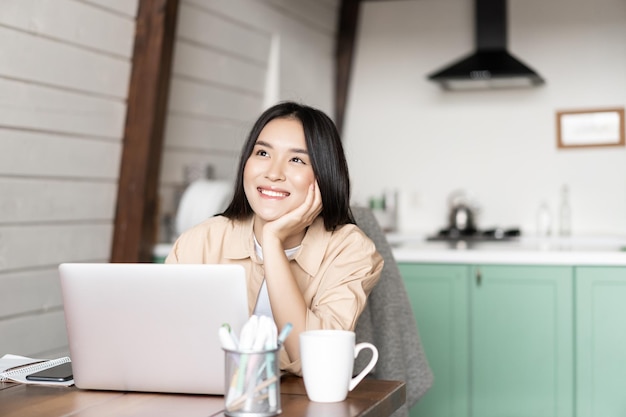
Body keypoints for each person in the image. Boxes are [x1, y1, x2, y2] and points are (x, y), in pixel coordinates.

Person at [166, 101, 383, 375]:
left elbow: (317, 364)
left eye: (296, 159)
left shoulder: (350, 250)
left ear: (323, 175)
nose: (273, 173)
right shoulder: (199, 242)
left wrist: (272, 242)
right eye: (262, 153)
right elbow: (165, 344)